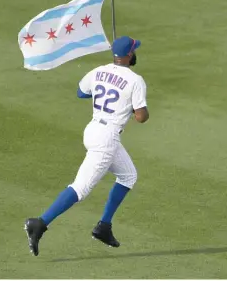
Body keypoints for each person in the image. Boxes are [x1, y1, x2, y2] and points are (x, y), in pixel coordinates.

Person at [25, 36, 149, 256]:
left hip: (92, 130)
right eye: (134, 50)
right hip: (107, 138)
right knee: (81, 188)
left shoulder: (98, 71)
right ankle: (40, 223)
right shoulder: (135, 80)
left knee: (128, 175)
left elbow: (81, 92)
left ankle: (104, 227)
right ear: (129, 55)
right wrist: (129, 106)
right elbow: (141, 117)